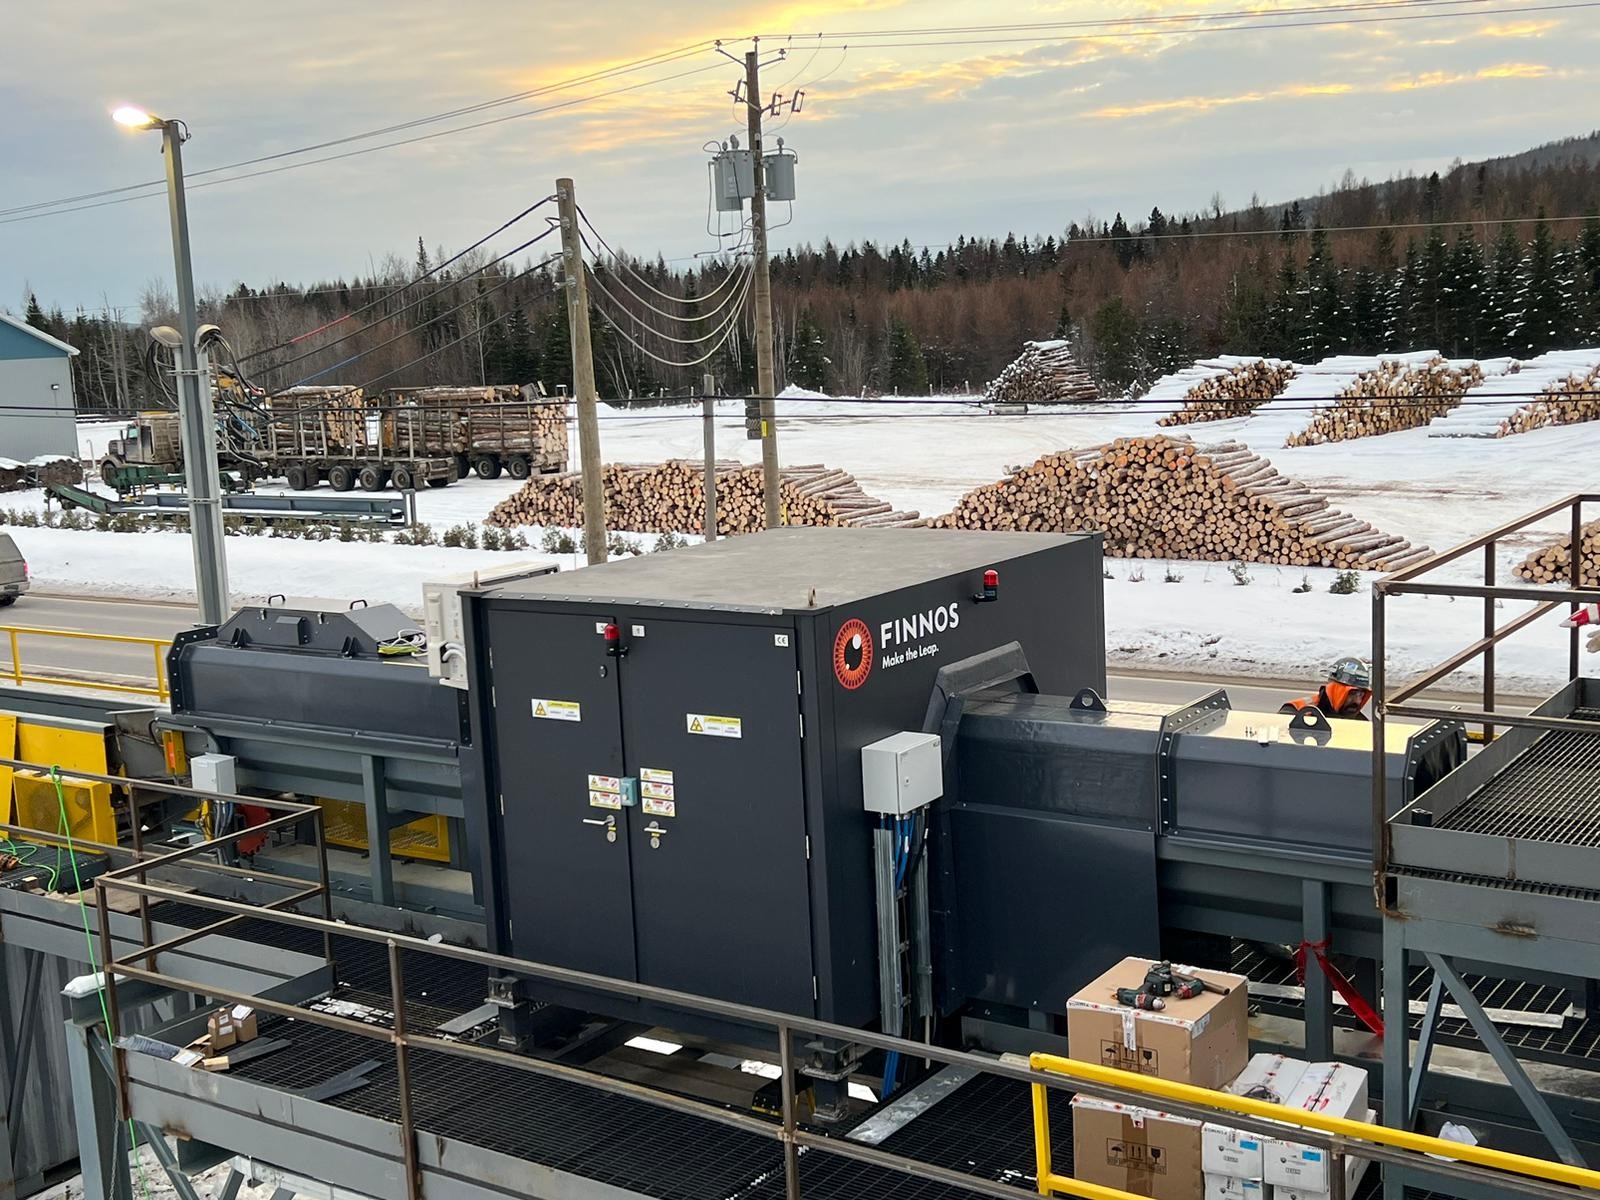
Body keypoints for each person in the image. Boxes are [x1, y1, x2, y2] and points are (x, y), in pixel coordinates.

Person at [1281, 656, 1372, 720]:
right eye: (1352, 693)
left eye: (1361, 694)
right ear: (1334, 690)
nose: (1357, 701)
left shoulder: (1360, 724)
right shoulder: (1296, 712)